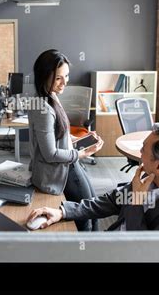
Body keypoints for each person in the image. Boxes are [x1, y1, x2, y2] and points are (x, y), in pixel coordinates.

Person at [27, 123, 159, 231]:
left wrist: (137, 201)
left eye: (143, 150)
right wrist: (63, 212)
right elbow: (113, 200)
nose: (139, 152)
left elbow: (144, 252)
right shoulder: (153, 177)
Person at [27, 49, 104, 231]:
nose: (64, 83)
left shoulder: (51, 96)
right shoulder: (44, 108)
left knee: (92, 207)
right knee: (87, 214)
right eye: (58, 78)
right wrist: (81, 153)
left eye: (66, 76)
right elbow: (50, 153)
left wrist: (78, 138)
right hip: (61, 169)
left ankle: (92, 247)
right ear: (44, 76)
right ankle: (86, 251)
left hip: (68, 163)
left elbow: (58, 132)